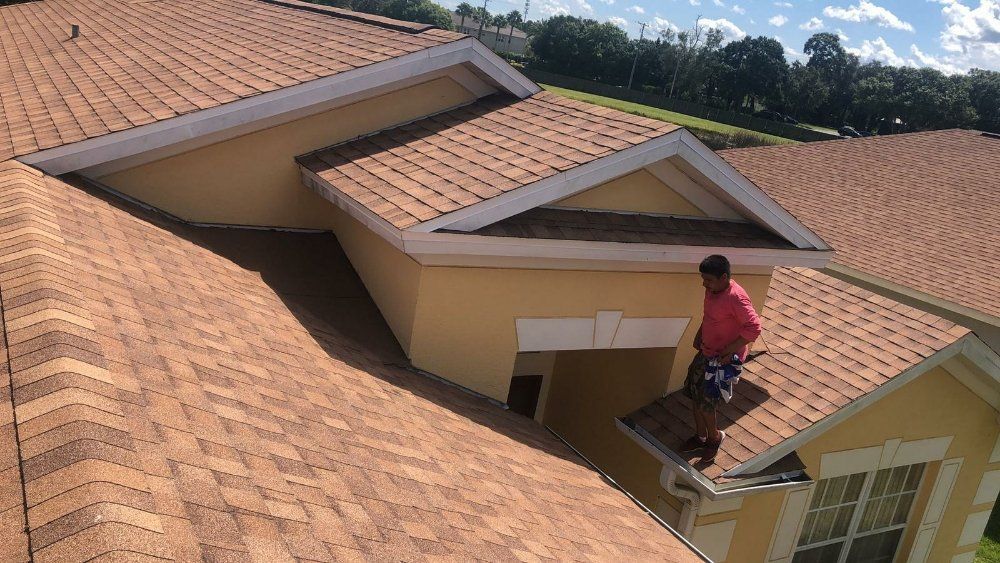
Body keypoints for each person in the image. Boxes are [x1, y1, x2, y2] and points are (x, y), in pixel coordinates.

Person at [680, 254, 762, 463]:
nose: (704, 284)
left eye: (708, 279)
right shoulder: (712, 290)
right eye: (703, 278)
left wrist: (729, 351)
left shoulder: (736, 297)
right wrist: (700, 334)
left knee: (707, 403)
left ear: (724, 277)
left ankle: (714, 438)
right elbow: (710, 315)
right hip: (706, 352)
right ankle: (700, 437)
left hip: (721, 360)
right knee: (693, 393)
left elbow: (754, 328)